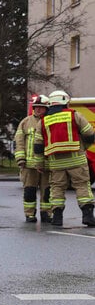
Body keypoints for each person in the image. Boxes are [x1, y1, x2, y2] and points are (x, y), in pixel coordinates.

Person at [35, 89, 95, 227]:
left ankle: (57, 218)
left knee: (57, 188)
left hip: (56, 163)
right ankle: (88, 217)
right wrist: (83, 147)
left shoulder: (43, 122)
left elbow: (38, 146)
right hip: (77, 160)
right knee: (82, 187)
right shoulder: (74, 115)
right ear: (65, 102)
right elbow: (90, 134)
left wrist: (40, 164)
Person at [14, 95, 50, 223]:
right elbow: (19, 142)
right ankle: (29, 214)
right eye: (36, 107)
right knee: (29, 190)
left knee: (47, 191)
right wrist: (21, 159)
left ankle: (46, 213)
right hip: (29, 165)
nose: (38, 110)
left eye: (41, 108)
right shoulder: (25, 122)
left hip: (46, 164)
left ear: (47, 109)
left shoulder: (50, 121)